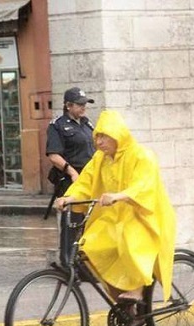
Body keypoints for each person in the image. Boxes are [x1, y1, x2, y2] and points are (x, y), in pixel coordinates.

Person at [55, 110, 176, 309]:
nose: (99, 142)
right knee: (90, 247)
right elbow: (85, 182)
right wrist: (70, 198)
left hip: (144, 214)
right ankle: (122, 301)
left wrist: (119, 196)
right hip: (114, 215)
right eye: (97, 137)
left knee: (129, 237)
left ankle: (137, 289)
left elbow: (144, 185)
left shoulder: (141, 155)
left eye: (103, 136)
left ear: (117, 134)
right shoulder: (100, 159)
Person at [44, 87, 95, 214]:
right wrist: (72, 173)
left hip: (88, 177)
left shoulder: (87, 124)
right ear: (68, 105)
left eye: (85, 104)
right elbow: (54, 156)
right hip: (70, 179)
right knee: (71, 219)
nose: (83, 107)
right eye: (80, 104)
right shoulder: (57, 126)